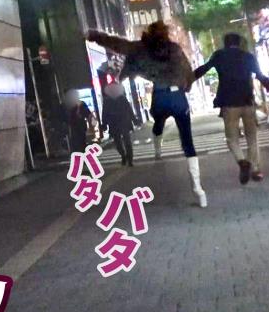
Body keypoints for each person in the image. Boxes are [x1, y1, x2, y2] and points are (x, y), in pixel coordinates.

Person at [86, 21, 208, 207]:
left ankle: (158, 147)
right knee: (187, 141)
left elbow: (117, 44)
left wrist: (94, 35)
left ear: (149, 33)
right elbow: (188, 73)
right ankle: (199, 190)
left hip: (159, 96)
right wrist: (186, 87)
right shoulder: (174, 49)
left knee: (158, 122)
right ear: (165, 34)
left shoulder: (140, 48)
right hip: (178, 97)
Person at [194, 32, 269, 184]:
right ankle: (255, 169)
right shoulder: (248, 57)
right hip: (247, 101)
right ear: (239, 43)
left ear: (225, 43)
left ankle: (242, 161)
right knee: (252, 137)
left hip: (229, 104)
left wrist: (187, 81)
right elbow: (261, 76)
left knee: (232, 139)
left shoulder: (219, 55)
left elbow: (203, 69)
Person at [101, 81, 136, 166]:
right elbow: (105, 113)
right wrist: (104, 123)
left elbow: (129, 109)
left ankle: (128, 158)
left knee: (122, 141)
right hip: (119, 122)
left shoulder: (119, 99)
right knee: (121, 142)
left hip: (119, 122)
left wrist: (104, 123)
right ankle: (125, 156)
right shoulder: (110, 100)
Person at [64, 89, 93, 154]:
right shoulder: (66, 105)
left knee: (81, 141)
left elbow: (88, 114)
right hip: (73, 126)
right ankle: (80, 154)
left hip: (79, 125)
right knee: (76, 142)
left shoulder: (81, 104)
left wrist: (90, 126)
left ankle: (81, 154)